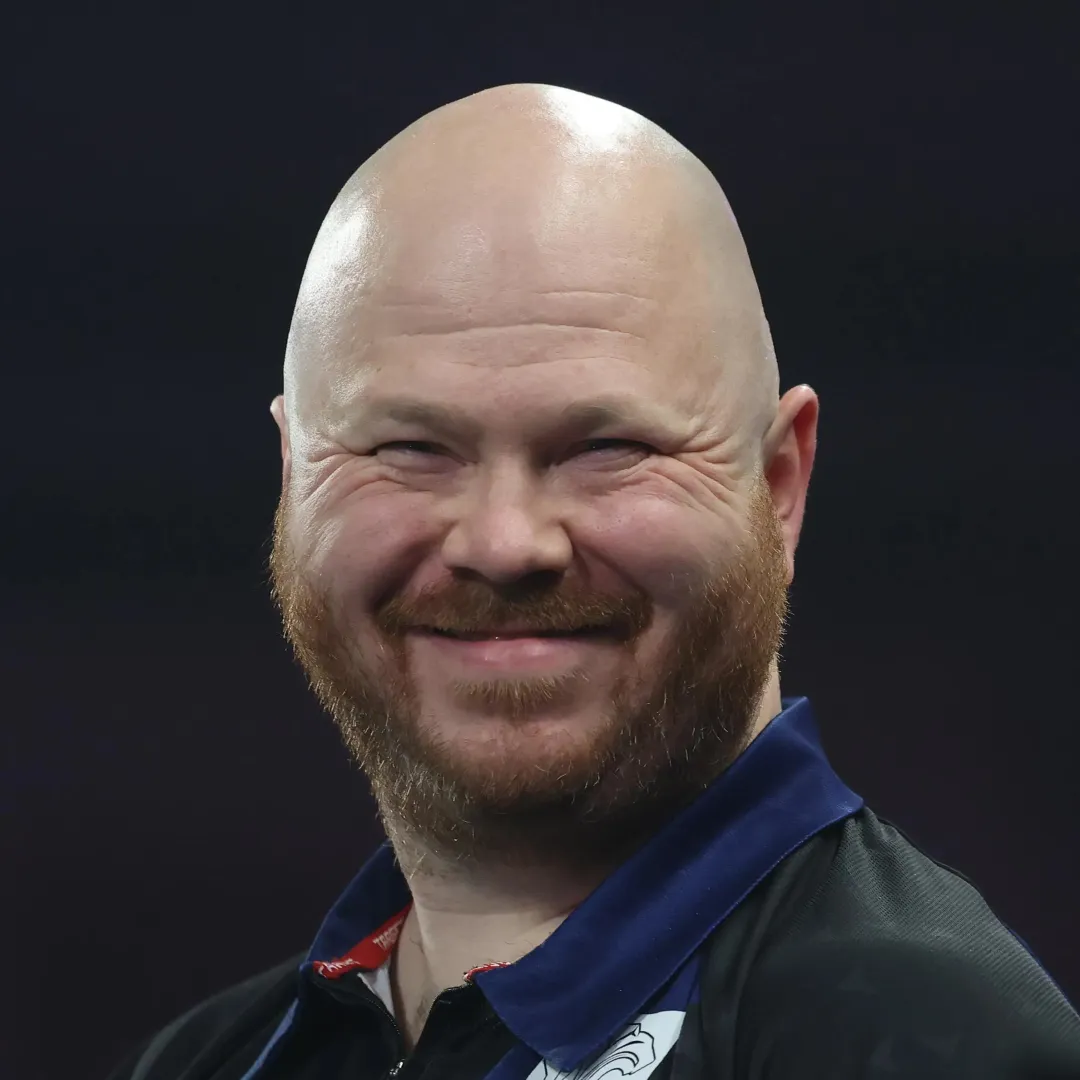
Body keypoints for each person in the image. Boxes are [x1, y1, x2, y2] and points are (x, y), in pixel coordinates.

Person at [108, 83, 1080, 1080]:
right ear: (292, 480)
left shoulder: (923, 1044)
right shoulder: (203, 1063)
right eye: (409, 448)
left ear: (780, 486)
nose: (504, 542)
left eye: (606, 447)